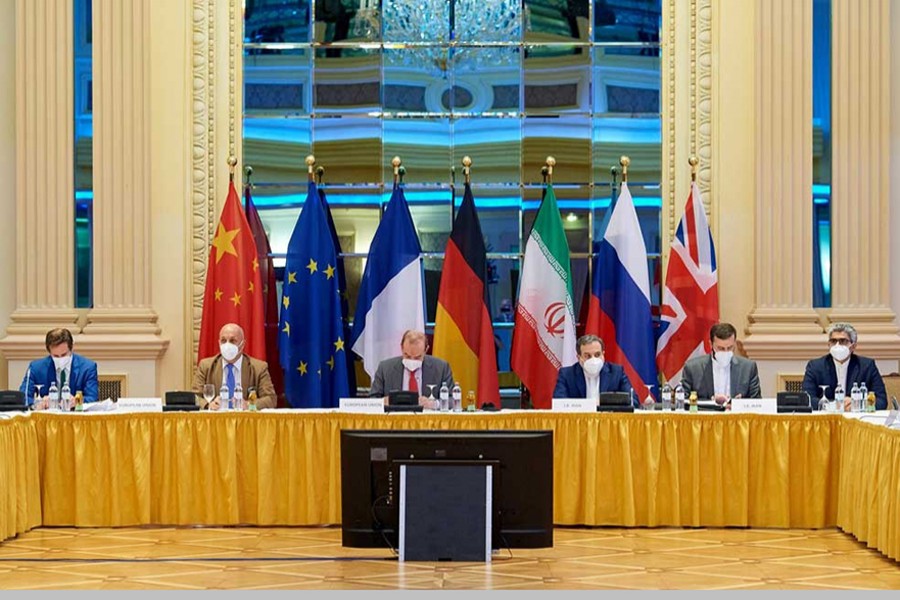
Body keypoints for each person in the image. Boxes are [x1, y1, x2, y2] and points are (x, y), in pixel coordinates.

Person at [802, 322, 887, 411]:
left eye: (843, 341)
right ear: (828, 345)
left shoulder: (867, 366)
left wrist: (858, 404)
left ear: (853, 346)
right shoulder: (815, 366)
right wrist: (834, 405)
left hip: (857, 420)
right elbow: (807, 399)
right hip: (827, 419)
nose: (837, 345)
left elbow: (882, 401)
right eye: (833, 341)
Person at [192, 322, 276, 410]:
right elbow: (194, 397)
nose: (227, 345)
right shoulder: (206, 366)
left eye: (232, 341)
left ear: (242, 345)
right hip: (216, 420)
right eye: (223, 341)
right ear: (219, 343)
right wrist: (208, 405)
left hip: (245, 421)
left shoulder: (259, 367)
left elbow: (270, 399)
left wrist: (249, 405)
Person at [368, 330, 454, 407]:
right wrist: (383, 402)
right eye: (407, 356)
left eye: (417, 357)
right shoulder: (385, 368)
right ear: (401, 348)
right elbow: (372, 399)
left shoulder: (441, 367)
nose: (412, 361)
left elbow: (453, 401)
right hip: (395, 421)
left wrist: (434, 404)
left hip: (428, 421)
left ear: (426, 350)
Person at [681, 322, 761, 403]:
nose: (725, 352)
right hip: (706, 414)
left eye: (730, 348)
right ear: (711, 345)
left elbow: (757, 402)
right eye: (721, 348)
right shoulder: (693, 368)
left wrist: (739, 404)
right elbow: (683, 401)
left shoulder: (748, 367)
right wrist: (711, 402)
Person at [20, 328, 99, 408]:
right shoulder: (36, 368)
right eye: (56, 356)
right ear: (49, 351)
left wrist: (77, 401)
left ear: (71, 348)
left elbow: (92, 398)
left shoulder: (87, 367)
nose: (60, 359)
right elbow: (23, 397)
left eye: (64, 355)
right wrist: (39, 403)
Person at [552, 334, 634, 406]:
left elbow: (633, 401)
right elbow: (559, 403)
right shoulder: (567, 374)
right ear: (579, 357)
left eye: (597, 354)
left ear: (603, 354)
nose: (593, 359)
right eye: (587, 356)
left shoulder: (616, 372)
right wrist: (587, 405)